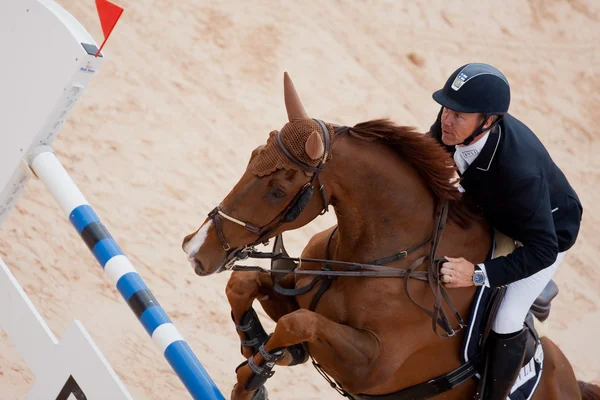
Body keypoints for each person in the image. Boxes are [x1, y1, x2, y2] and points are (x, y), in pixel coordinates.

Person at [427, 62, 583, 399]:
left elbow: (543, 249)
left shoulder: (519, 171)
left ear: (488, 121)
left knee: (507, 317)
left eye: (459, 114)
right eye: (446, 108)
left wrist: (478, 274)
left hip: (543, 236)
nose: (446, 120)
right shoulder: (451, 127)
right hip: (498, 210)